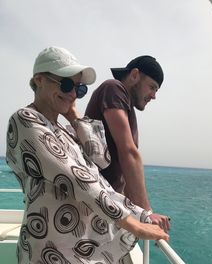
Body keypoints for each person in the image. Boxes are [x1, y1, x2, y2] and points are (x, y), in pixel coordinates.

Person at [5, 46, 168, 264]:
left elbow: (100, 158)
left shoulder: (62, 130)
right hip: (49, 250)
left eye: (79, 89)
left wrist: (72, 115)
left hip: (80, 247)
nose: (72, 93)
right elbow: (77, 179)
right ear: (39, 80)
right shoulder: (25, 120)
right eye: (65, 84)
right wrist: (134, 223)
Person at [85, 55, 171, 231]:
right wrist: (147, 213)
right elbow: (128, 152)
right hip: (94, 209)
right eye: (152, 87)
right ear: (134, 76)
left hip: (106, 210)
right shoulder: (114, 88)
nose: (154, 96)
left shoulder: (126, 106)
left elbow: (124, 170)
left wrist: (138, 214)